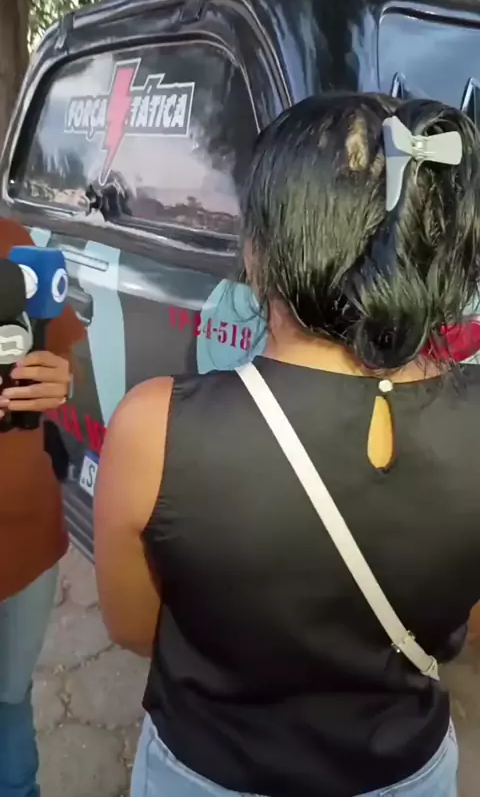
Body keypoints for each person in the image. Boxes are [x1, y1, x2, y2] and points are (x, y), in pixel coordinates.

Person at [93, 93, 480, 797]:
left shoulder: (155, 428)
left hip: (208, 770)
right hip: (408, 773)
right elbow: (470, 626)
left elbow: (134, 627)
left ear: (261, 249)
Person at [0, 218, 85, 797]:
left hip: (24, 545)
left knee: (10, 704)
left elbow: (65, 360)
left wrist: (63, 383)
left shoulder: (13, 243)